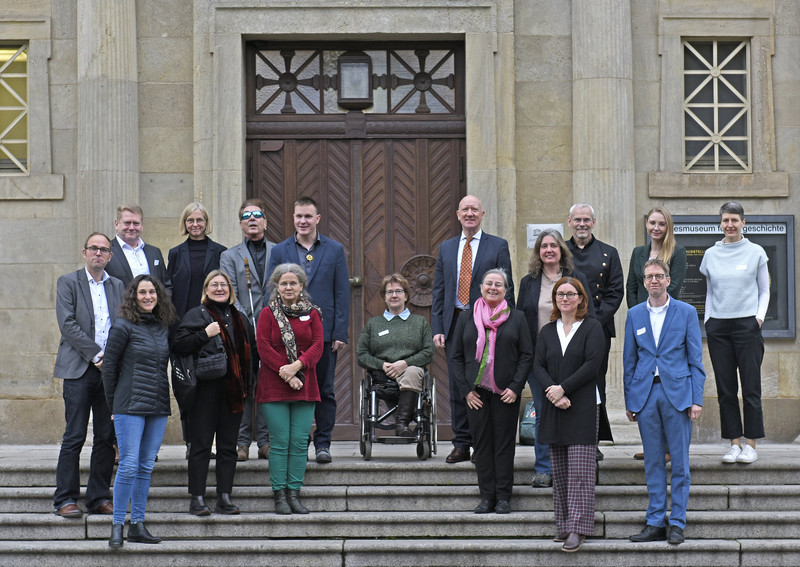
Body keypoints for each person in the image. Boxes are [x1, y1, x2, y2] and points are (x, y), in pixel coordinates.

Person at [624, 259, 705, 546]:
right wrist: (630, 400)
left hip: (678, 395)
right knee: (654, 462)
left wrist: (697, 399)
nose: (654, 280)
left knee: (680, 463)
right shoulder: (634, 314)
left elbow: (696, 360)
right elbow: (629, 362)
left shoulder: (685, 312)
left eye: (659, 276)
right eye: (649, 277)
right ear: (644, 282)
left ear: (669, 280)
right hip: (646, 396)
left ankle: (678, 523)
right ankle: (656, 520)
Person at [432, 195, 514, 464]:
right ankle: (461, 442)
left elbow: (506, 288)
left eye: (474, 210)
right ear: (458, 214)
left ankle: (482, 444)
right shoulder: (446, 248)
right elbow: (440, 291)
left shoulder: (498, 246)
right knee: (459, 383)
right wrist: (438, 327)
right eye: (465, 209)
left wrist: (504, 324)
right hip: (456, 321)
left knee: (485, 380)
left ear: (482, 214)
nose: (469, 214)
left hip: (488, 323)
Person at [268, 197, 350, 464]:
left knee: (324, 390)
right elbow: (272, 292)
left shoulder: (334, 250)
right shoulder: (280, 251)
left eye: (307, 216)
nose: (302, 221)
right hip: (287, 336)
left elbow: (342, 293)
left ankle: (323, 443)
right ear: (293, 218)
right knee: (295, 390)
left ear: (318, 219)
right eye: (298, 216)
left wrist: (339, 332)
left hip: (323, 336)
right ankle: (300, 442)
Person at [171, 270, 254, 516]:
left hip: (234, 391)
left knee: (228, 446)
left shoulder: (240, 317)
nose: (220, 288)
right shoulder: (197, 315)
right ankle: (197, 498)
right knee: (201, 446)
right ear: (206, 289)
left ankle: (224, 496)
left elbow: (251, 353)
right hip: (205, 392)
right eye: (214, 285)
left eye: (224, 285)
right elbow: (178, 345)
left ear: (230, 289)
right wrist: (204, 334)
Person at [52, 233, 124, 518]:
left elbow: (123, 325)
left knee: (106, 436)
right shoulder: (68, 282)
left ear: (109, 256)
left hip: (109, 374)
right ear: (84, 253)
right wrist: (96, 355)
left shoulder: (118, 285)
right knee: (75, 434)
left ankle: (97, 497)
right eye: (93, 248)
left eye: (104, 250)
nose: (98, 253)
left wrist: (113, 360)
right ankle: (65, 498)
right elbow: (67, 324)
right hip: (79, 369)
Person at [102, 275, 175, 548]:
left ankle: (138, 525)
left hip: (157, 404)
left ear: (159, 296)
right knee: (129, 465)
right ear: (134, 296)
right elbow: (109, 369)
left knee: (145, 466)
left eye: (152, 292)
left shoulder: (162, 327)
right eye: (142, 292)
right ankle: (117, 525)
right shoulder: (122, 327)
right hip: (129, 404)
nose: (148, 296)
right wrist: (113, 407)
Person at [516, 228, 593, 488]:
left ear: (562, 250)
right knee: (543, 413)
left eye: (553, 245)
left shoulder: (576, 278)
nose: (549, 250)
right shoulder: (529, 282)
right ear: (538, 252)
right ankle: (544, 469)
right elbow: (520, 319)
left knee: (573, 410)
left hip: (572, 358)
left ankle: (572, 466)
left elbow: (587, 314)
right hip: (539, 361)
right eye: (543, 246)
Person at [451, 269, 532, 515]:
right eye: (489, 283)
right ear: (481, 287)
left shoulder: (517, 318)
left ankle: (504, 497)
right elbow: (455, 357)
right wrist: (466, 391)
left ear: (506, 290)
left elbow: (527, 356)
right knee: (482, 446)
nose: (493, 288)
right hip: (476, 394)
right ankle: (487, 497)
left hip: (505, 392)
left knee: (504, 446)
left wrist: (516, 388)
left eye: (499, 284)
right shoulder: (466, 318)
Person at [534, 277, 605, 553]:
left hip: (583, 406)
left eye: (570, 294)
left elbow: (592, 365)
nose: (565, 298)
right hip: (555, 406)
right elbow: (538, 364)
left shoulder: (591, 327)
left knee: (580, 472)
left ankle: (579, 528)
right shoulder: (547, 331)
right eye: (560, 294)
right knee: (561, 470)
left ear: (580, 298)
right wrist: (553, 391)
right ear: (555, 300)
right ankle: (563, 524)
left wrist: (563, 388)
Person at [700, 201, 769, 464]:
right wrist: (708, 320)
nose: (730, 224)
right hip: (719, 327)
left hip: (747, 326)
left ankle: (751, 444)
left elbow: (764, 290)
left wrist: (758, 319)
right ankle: (734, 443)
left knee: (751, 387)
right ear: (721, 223)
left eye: (735, 220)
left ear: (743, 223)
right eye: (726, 220)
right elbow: (709, 292)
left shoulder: (756, 252)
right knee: (725, 389)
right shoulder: (711, 254)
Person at [256, 264, 323, 514]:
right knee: (281, 442)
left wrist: (296, 366)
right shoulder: (267, 314)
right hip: (274, 387)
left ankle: (294, 493)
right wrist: (286, 374)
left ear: (301, 286)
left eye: (293, 283)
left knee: (298, 443)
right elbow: (263, 347)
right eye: (283, 283)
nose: (288, 287)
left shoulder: (313, 314)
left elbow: (317, 346)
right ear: (277, 286)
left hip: (305, 386)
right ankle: (280, 495)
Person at [167, 202, 228, 458]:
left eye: (200, 220)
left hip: (212, 326)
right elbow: (169, 290)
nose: (195, 224)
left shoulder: (221, 252)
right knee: (186, 385)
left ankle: (207, 441)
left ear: (206, 223)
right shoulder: (175, 253)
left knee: (210, 387)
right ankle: (190, 441)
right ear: (184, 223)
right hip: (183, 329)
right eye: (190, 220)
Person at [220, 198, 275, 462]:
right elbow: (229, 291)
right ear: (241, 224)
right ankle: (241, 443)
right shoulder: (229, 256)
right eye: (246, 216)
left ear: (265, 221)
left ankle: (265, 441)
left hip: (273, 331)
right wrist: (246, 319)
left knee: (266, 386)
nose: (252, 219)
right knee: (243, 386)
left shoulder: (281, 251)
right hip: (242, 329)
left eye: (257, 214)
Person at [566, 203, 622, 458]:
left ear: (594, 222)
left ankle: (593, 440)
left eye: (586, 220)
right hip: (564, 328)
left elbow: (614, 292)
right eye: (577, 220)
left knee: (595, 383)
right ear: (570, 222)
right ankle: (566, 438)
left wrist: (593, 323)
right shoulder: (560, 251)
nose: (582, 224)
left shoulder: (608, 253)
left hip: (597, 329)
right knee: (566, 382)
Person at [356, 274, 435, 436]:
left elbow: (428, 352)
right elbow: (361, 354)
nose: (394, 295)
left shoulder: (419, 322)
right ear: (384, 297)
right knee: (408, 374)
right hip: (382, 375)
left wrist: (404, 363)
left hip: (411, 371)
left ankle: (402, 424)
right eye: (389, 292)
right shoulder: (374, 324)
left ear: (406, 296)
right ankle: (410, 416)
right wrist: (382, 365)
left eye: (399, 291)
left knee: (412, 372)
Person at [626, 206, 687, 308]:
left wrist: (655, 310)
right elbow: (631, 288)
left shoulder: (677, 252)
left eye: (662, 224)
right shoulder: (637, 252)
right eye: (652, 223)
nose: (656, 228)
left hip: (665, 312)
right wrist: (637, 312)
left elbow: (673, 288)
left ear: (668, 227)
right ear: (646, 223)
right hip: (641, 313)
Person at [106, 204, 170, 289]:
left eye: (136, 223)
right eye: (127, 223)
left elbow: (166, 286)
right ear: (117, 224)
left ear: (142, 225)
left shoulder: (154, 252)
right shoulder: (106, 251)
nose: (131, 227)